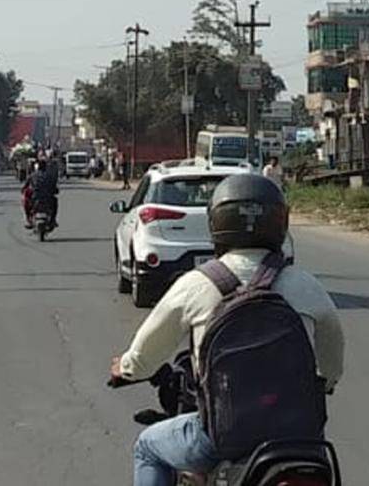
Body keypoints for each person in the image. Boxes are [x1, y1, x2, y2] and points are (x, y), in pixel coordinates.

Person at [109, 173, 344, 486]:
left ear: (216, 222)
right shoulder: (306, 285)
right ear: (281, 222)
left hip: (222, 437)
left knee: (148, 447)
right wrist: (324, 382)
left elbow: (144, 357)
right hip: (298, 439)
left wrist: (124, 368)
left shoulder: (196, 284)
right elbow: (331, 367)